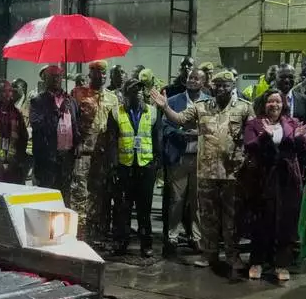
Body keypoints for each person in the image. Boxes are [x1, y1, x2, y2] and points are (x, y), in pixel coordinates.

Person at [152, 70, 252, 274]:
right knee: (207, 216)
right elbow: (180, 119)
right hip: (206, 172)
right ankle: (209, 254)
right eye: (218, 85)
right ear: (212, 87)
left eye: (226, 85)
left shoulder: (245, 108)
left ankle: (232, 256)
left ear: (233, 86)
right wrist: (165, 107)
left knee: (231, 217)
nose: (221, 88)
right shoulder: (202, 107)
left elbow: (253, 134)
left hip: (232, 173)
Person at [241, 89, 306, 281]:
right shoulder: (254, 123)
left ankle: (281, 264)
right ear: (264, 104)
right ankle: (256, 262)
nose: (274, 105)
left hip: (287, 179)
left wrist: (299, 137)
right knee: (262, 221)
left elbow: (304, 147)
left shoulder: (292, 123)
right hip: (262, 179)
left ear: (283, 104)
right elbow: (249, 146)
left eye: (278, 102)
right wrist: (265, 136)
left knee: (285, 223)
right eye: (270, 102)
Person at [107, 78, 162, 258]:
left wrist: (156, 163)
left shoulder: (153, 112)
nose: (137, 92)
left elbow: (157, 139)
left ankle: (146, 244)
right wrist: (114, 166)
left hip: (146, 167)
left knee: (144, 208)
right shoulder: (116, 113)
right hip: (124, 166)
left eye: (140, 89)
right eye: (133, 89)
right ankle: (120, 242)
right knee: (122, 208)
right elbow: (112, 141)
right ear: (125, 93)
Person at [70, 60, 119, 243]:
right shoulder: (78, 94)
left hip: (102, 155)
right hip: (82, 153)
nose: (102, 76)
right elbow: (71, 122)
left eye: (104, 73)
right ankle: (78, 233)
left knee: (97, 195)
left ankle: (92, 232)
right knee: (79, 194)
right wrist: (76, 142)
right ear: (90, 74)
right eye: (97, 72)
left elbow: (114, 128)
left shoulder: (113, 98)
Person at [161, 68, 207, 255]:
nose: (193, 81)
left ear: (203, 82)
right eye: (190, 78)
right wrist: (181, 135)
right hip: (179, 158)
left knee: (197, 201)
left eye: (197, 78)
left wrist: (198, 134)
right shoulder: (173, 101)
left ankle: (196, 238)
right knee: (176, 199)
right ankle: (172, 236)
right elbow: (165, 126)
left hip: (200, 160)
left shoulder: (209, 102)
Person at [29, 65, 80, 200]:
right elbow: (38, 126)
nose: (55, 80)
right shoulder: (37, 101)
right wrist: (57, 112)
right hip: (48, 160)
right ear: (44, 79)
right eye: (51, 77)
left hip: (67, 159)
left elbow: (76, 126)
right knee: (48, 198)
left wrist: (77, 145)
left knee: (65, 197)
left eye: (58, 76)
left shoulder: (71, 100)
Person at [0, 80, 28, 183]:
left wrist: (16, 159)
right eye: (3, 91)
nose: (7, 94)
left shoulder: (16, 113)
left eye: (10, 91)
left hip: (13, 165)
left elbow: (23, 138)